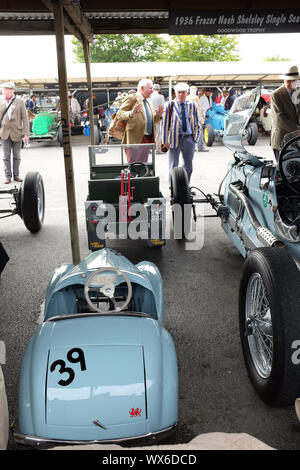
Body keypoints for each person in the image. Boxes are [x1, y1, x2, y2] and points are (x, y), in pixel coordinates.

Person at [161, 82, 201, 187]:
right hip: (174, 139)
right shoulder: (169, 105)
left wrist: (195, 139)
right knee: (173, 165)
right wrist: (164, 141)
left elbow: (197, 123)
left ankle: (185, 187)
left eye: (183, 92)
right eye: (179, 92)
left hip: (189, 139)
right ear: (175, 93)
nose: (181, 95)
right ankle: (173, 188)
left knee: (188, 165)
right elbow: (164, 125)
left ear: (187, 92)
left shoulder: (192, 105)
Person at [116, 78, 164, 162]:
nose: (152, 91)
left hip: (147, 140)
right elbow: (119, 114)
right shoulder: (132, 98)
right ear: (142, 88)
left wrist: (159, 115)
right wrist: (131, 113)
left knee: (143, 167)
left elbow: (153, 121)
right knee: (134, 167)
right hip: (134, 141)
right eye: (150, 88)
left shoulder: (148, 102)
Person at [0, 81, 29, 184]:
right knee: (5, 156)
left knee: (17, 155)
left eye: (6, 90)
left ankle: (16, 175)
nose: (4, 91)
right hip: (4, 132)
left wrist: (26, 134)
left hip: (17, 132)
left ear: (12, 91)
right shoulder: (0, 100)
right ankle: (7, 176)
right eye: (3, 90)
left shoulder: (20, 101)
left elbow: (25, 118)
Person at [271, 65, 300, 162]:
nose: (291, 83)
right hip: (281, 139)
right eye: (289, 81)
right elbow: (279, 118)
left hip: (295, 140)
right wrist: (297, 130)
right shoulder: (276, 94)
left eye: (294, 81)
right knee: (283, 171)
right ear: (284, 80)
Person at [187, 85, 209, 152]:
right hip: (196, 117)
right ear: (195, 91)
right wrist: (201, 118)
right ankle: (200, 147)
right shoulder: (196, 97)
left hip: (189, 118)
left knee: (191, 133)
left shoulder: (187, 97)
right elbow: (199, 108)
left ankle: (192, 147)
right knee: (199, 132)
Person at [150, 83, 165, 154]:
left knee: (151, 132)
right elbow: (162, 107)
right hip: (158, 116)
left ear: (153, 89)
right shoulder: (161, 96)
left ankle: (149, 149)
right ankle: (158, 149)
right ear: (159, 90)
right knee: (158, 133)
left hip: (150, 115)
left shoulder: (149, 96)